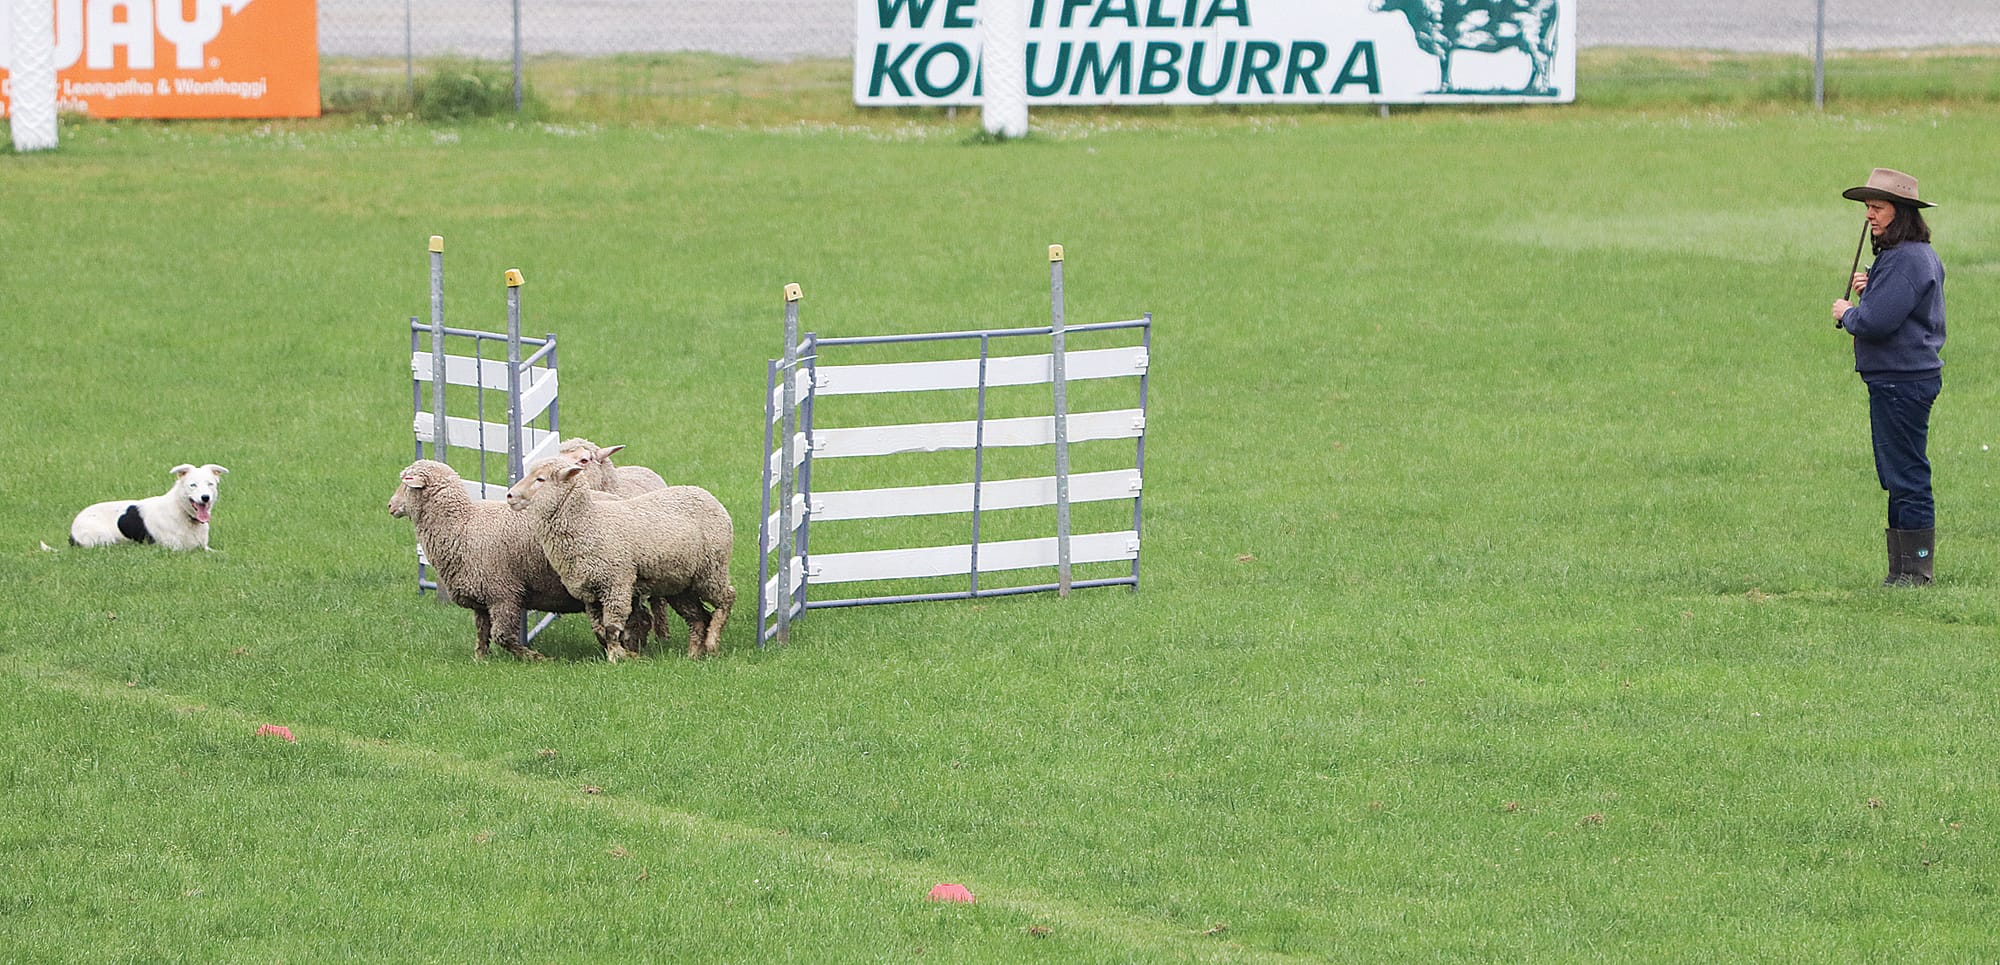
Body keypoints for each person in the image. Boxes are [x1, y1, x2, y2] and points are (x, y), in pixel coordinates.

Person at [1830, 167, 1945, 586]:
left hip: (1902, 382)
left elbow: (1877, 323)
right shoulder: (1906, 258)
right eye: (1868, 208)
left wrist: (1850, 313)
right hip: (1899, 380)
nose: (1870, 216)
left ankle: (1915, 572)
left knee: (1907, 476)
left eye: (1877, 208)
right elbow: (1897, 310)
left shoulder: (1906, 259)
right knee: (1898, 474)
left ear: (1902, 212)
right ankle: (1902, 572)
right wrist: (1871, 292)